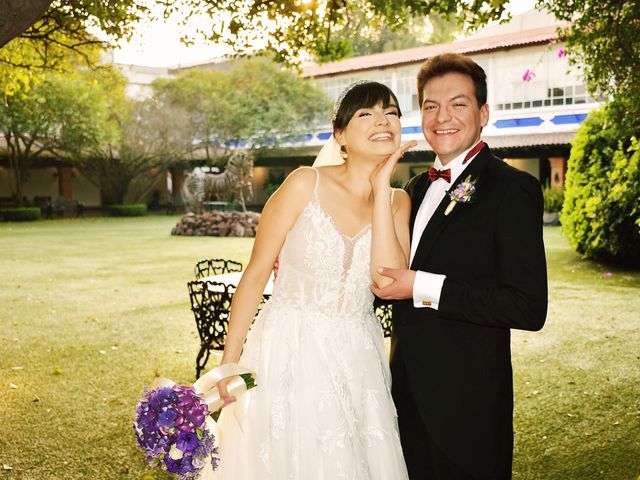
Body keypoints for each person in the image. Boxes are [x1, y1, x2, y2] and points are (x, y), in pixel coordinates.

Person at [207, 81, 415, 479]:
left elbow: (385, 281)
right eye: (365, 114)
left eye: (391, 112)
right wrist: (229, 362)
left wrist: (381, 185)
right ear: (340, 134)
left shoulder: (399, 201)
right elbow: (255, 275)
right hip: (289, 345)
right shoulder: (305, 183)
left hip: (358, 353)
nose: (383, 121)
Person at [372, 53, 548, 480]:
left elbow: (527, 307)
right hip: (404, 399)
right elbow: (388, 275)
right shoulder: (412, 188)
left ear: (483, 113)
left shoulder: (512, 189)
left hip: (468, 411)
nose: (442, 117)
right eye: (430, 106)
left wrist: (423, 286)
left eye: (458, 104)